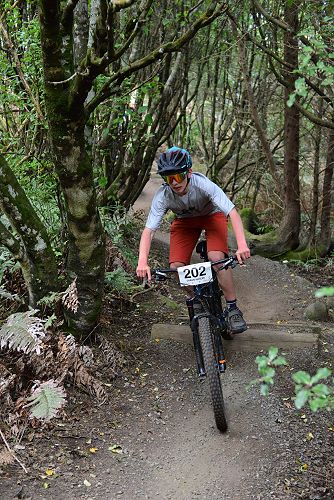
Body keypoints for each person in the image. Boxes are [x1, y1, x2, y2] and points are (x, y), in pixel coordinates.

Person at [136, 146, 251, 333]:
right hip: (184, 222)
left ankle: (232, 308)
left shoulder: (203, 184)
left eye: (178, 176)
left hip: (212, 216)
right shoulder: (163, 196)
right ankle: (196, 299)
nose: (174, 183)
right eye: (168, 178)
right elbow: (149, 231)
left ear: (189, 172)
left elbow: (232, 212)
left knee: (217, 259)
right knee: (176, 268)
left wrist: (242, 245)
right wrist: (142, 262)